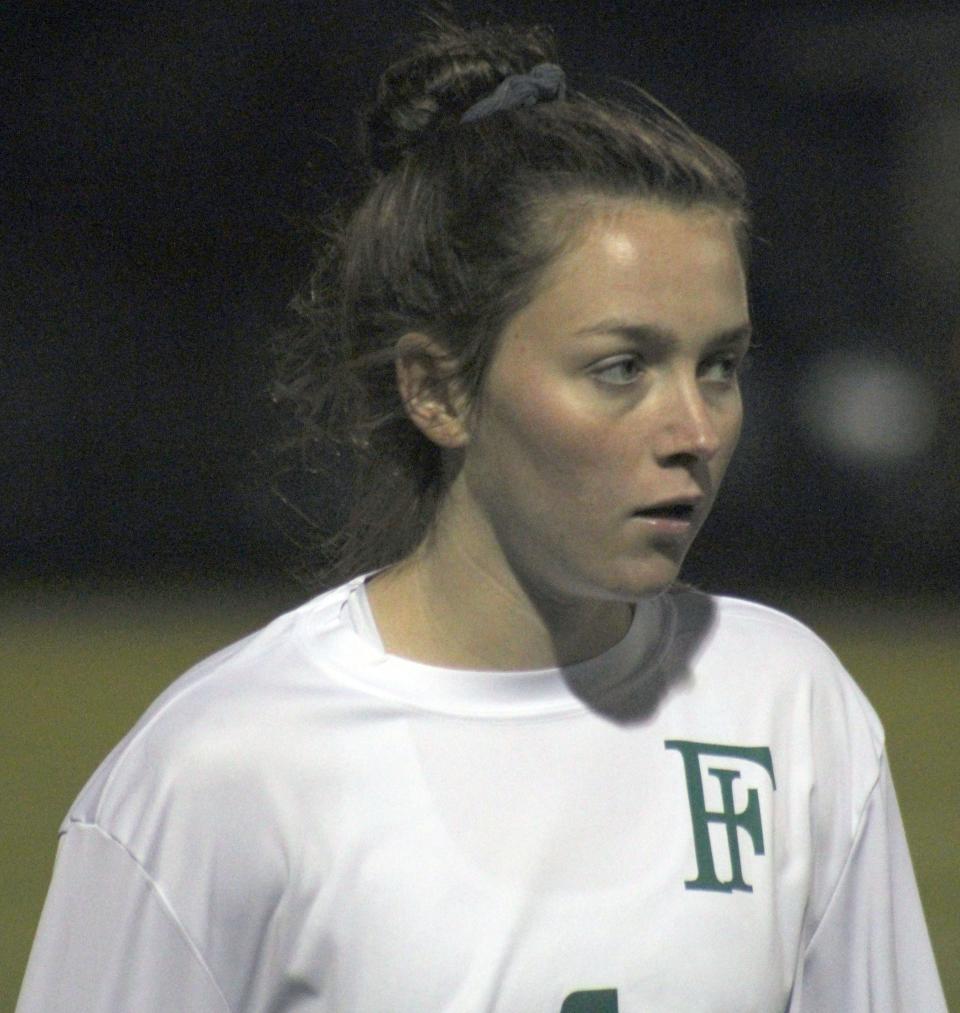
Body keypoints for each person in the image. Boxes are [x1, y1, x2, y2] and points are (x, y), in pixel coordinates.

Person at [17, 17, 946, 1013]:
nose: (695, 428)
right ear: (439, 391)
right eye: (622, 367)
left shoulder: (792, 708)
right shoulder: (223, 768)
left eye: (719, 365)